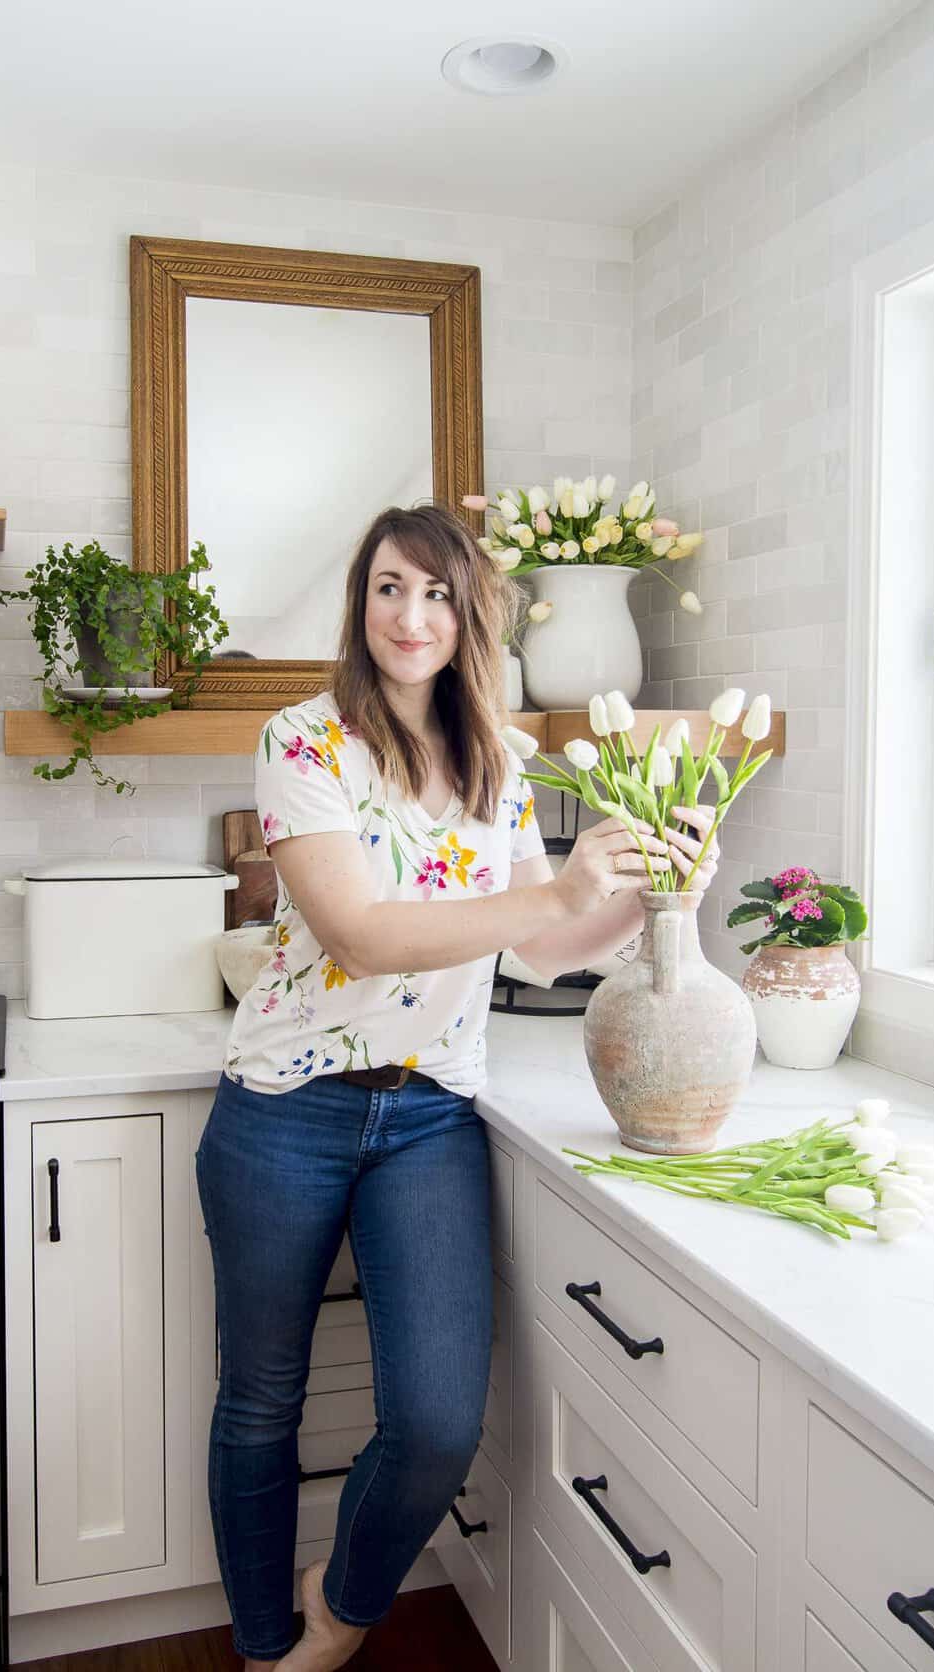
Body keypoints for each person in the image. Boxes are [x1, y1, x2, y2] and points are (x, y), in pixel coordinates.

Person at [195, 503, 719, 1671]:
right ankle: (258, 1644)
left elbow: (551, 951)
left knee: (437, 1422)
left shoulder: (497, 754)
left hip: (428, 1112)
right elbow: (364, 934)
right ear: (360, 601)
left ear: (469, 611)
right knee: (260, 1404)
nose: (410, 614)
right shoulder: (303, 741)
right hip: (283, 1109)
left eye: (436, 592)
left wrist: (658, 890)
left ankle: (335, 1610)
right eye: (389, 587)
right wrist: (555, 891)